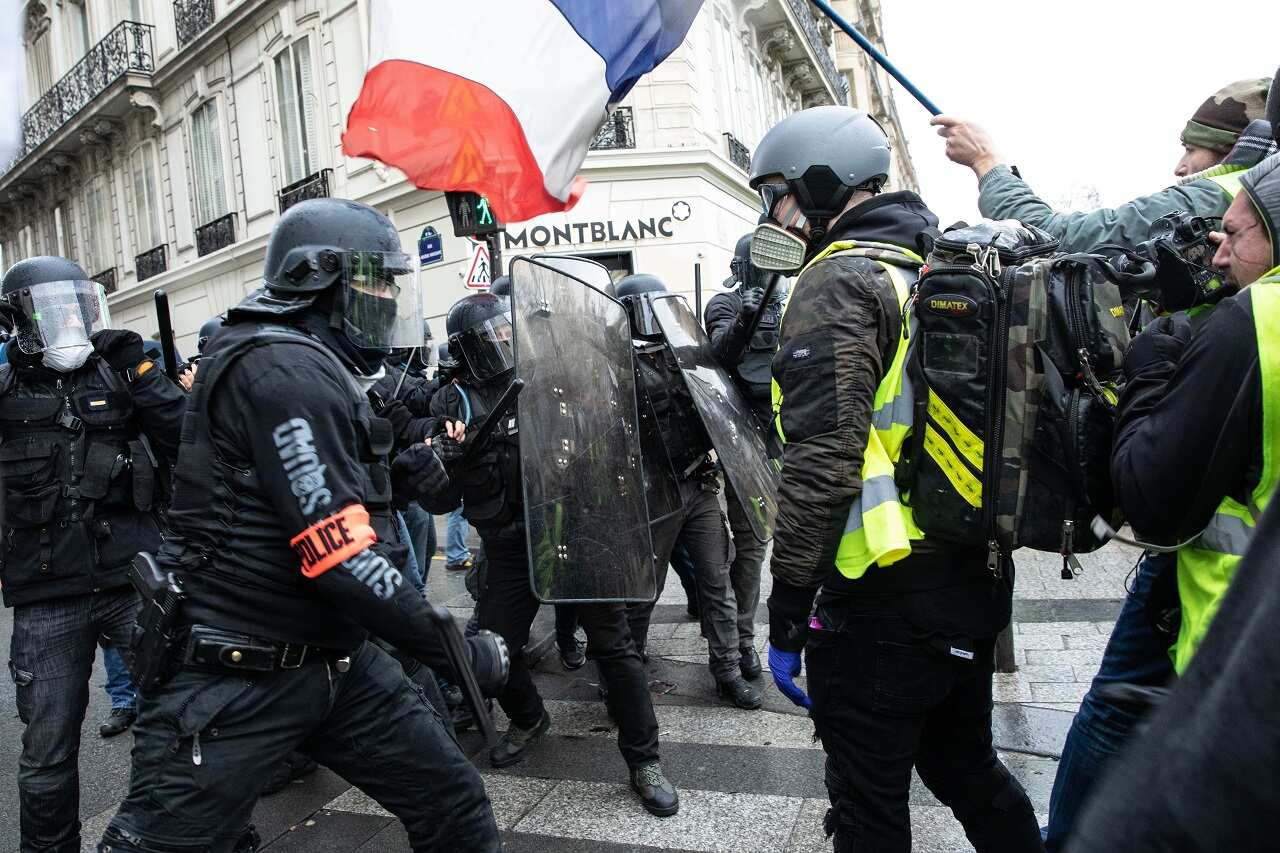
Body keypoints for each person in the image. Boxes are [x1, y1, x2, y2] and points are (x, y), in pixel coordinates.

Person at [98, 199, 509, 852]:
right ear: (320, 281)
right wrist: (454, 647)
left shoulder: (309, 363)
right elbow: (337, 552)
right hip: (231, 676)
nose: (386, 303)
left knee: (454, 805)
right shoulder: (281, 367)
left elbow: (292, 490)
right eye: (376, 285)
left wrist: (399, 475)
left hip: (331, 658)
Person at [754, 106, 1043, 852]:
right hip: (971, 573)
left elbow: (822, 463)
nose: (771, 213)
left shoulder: (838, 280)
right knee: (965, 766)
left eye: (777, 193)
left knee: (867, 802)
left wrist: (787, 607)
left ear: (821, 185)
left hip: (881, 599)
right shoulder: (928, 261)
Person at [1034, 74, 1280, 850]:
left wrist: (1154, 357)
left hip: (1225, 637)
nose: (1214, 243)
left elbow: (1153, 497)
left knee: (1112, 709)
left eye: (1232, 233)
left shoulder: (1252, 325)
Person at [426, 291, 679, 816]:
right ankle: (528, 716)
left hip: (576, 529)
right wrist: (453, 457)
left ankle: (644, 760)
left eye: (505, 330)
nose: (501, 341)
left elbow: (607, 437)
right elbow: (439, 499)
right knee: (496, 651)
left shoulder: (550, 375)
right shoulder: (452, 402)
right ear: (467, 349)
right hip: (509, 545)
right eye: (489, 337)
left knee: (616, 649)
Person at [0, 256, 186, 852]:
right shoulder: (5, 393)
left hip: (134, 582)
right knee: (47, 754)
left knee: (181, 719)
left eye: (77, 305)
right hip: (46, 597)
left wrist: (139, 366)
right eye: (50, 310)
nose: (68, 320)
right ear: (17, 321)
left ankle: (190, 836)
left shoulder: (118, 371)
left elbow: (187, 437)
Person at [616, 273, 762, 710]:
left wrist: (743, 321)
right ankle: (628, 668)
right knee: (647, 588)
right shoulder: (615, 364)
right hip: (651, 490)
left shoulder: (686, 353)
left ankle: (727, 671)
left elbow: (720, 370)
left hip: (697, 484)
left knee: (715, 584)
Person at [933, 77, 1271, 252]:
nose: (1180, 168)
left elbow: (1054, 238)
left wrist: (986, 161)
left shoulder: (1220, 198)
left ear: (1235, 149)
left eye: (1191, 149)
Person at [703, 233, 789, 680]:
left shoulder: (792, 305)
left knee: (767, 547)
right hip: (740, 446)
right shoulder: (724, 304)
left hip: (786, 444)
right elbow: (717, 355)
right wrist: (746, 317)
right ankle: (738, 639)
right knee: (745, 545)